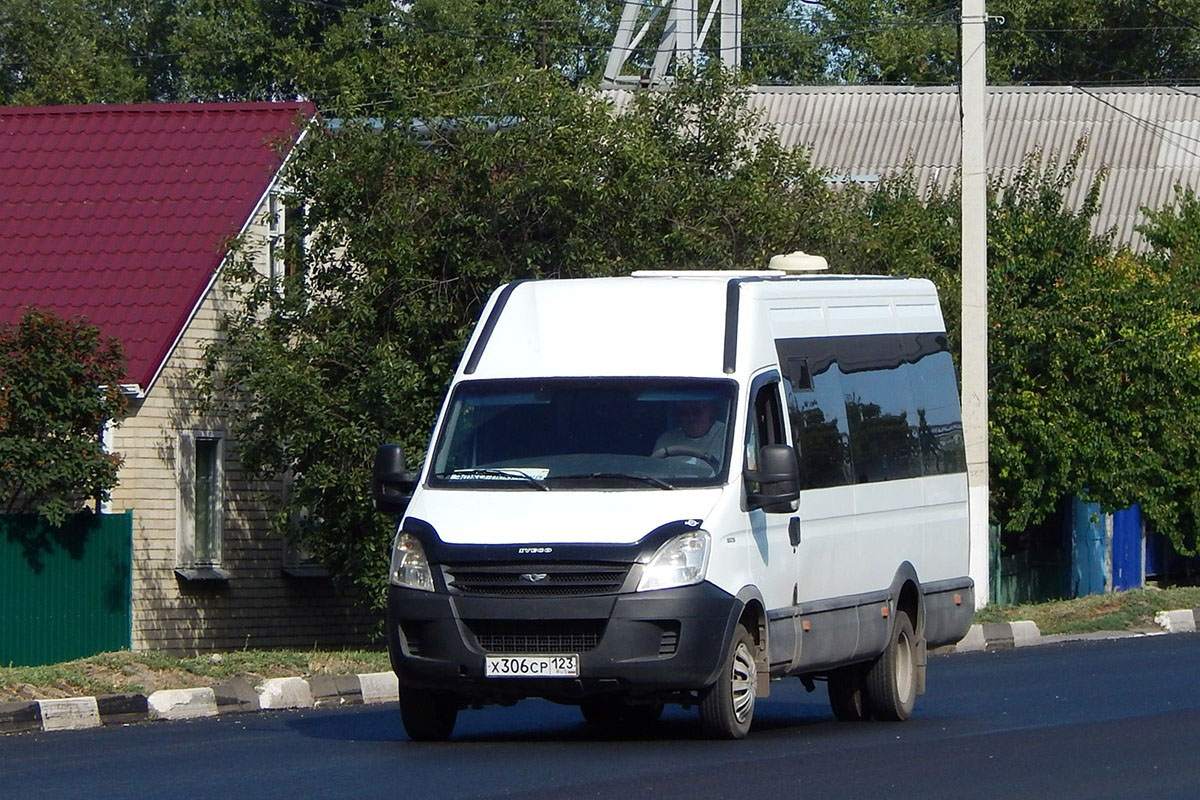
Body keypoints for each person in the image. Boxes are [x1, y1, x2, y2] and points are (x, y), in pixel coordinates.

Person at [653, 400, 726, 467]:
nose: (691, 418)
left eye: (697, 412)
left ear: (710, 412)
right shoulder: (665, 440)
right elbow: (655, 471)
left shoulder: (728, 436)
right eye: (684, 413)